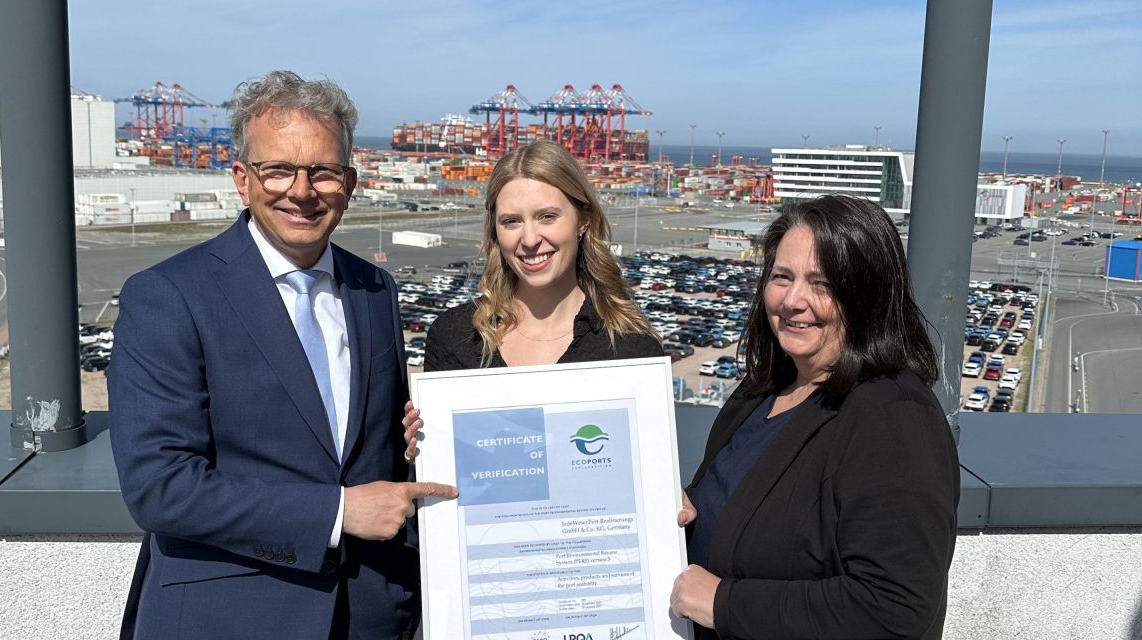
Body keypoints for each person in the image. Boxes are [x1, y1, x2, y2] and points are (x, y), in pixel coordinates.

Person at [109, 70, 456, 640]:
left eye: (322, 171)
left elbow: (371, 453)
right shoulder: (169, 295)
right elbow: (159, 486)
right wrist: (338, 513)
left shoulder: (374, 289)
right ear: (243, 180)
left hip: (370, 614)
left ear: (349, 182)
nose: (301, 191)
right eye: (279, 170)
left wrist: (418, 438)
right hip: (228, 618)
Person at [669, 195, 959, 639]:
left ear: (868, 296)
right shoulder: (760, 392)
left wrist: (725, 603)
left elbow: (895, 609)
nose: (793, 300)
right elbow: (756, 515)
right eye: (781, 277)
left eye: (822, 284)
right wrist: (692, 510)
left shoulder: (894, 417)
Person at [402, 140, 662, 459]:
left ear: (583, 220)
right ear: (495, 230)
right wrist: (423, 457)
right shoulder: (455, 337)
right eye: (511, 221)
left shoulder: (631, 349)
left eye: (547, 216)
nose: (529, 240)